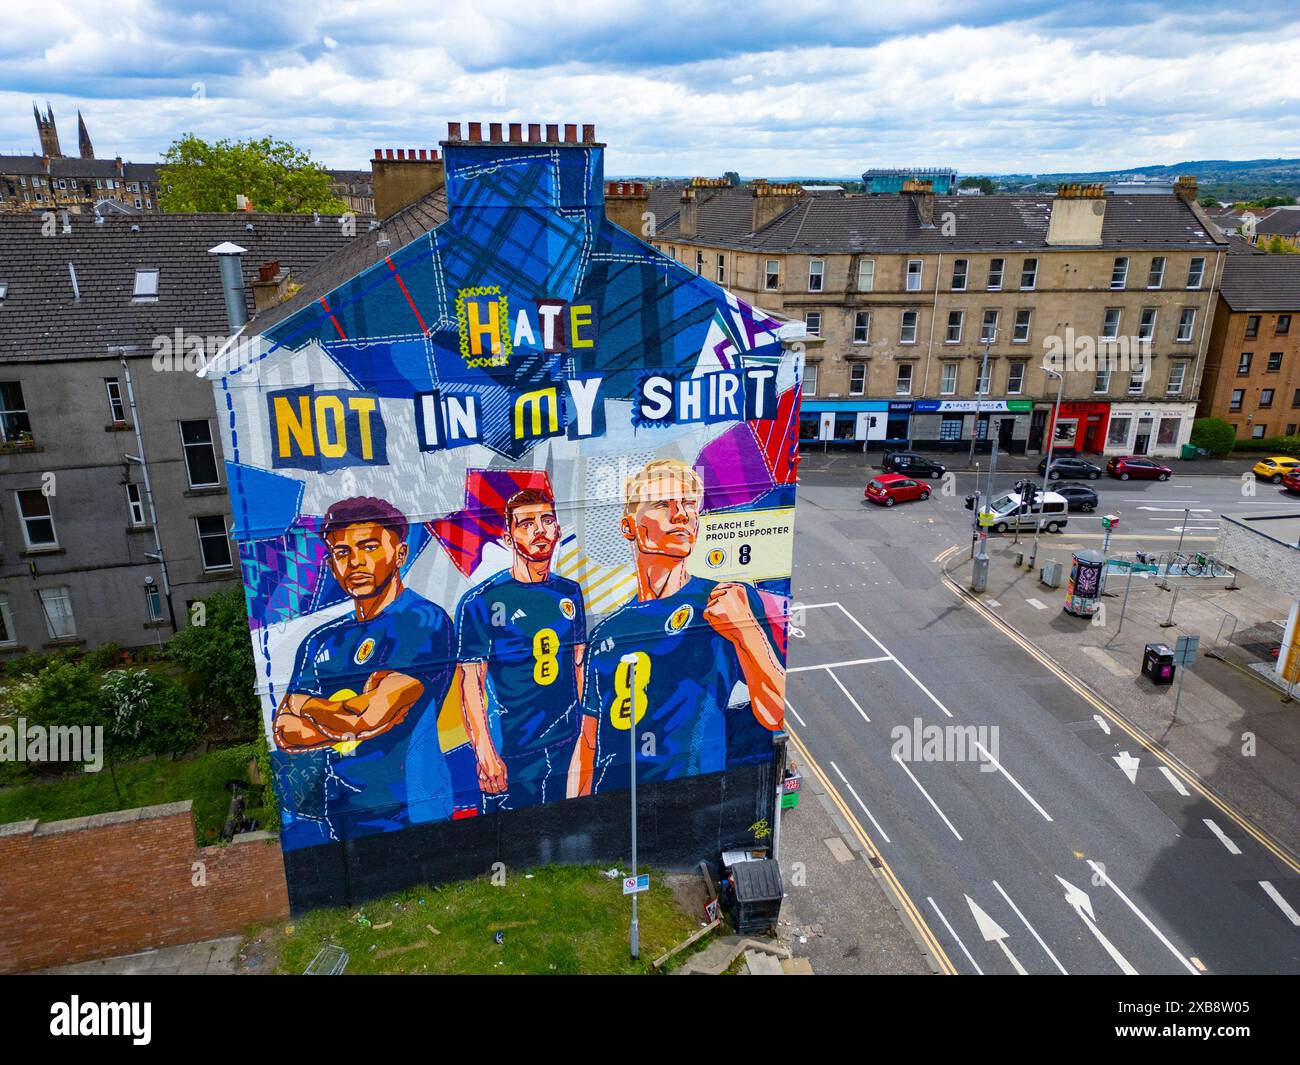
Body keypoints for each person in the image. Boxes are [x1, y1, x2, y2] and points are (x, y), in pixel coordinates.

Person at [570, 459, 783, 797]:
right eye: (663, 504)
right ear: (629, 526)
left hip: (692, 802)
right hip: (613, 804)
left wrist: (747, 633)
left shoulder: (727, 600)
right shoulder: (606, 632)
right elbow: (588, 742)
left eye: (688, 504)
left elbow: (776, 714)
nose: (682, 514)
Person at [273, 497, 455, 846]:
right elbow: (285, 730)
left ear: (400, 554)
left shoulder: (423, 621)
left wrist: (306, 705)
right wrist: (350, 719)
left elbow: (368, 717)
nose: (355, 562)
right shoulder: (320, 640)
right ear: (332, 564)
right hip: (341, 808)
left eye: (369, 547)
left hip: (412, 809)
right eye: (342, 552)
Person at [455, 487, 587, 811]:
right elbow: (471, 683)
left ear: (558, 529)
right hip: (514, 752)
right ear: (508, 537)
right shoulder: (481, 602)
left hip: (567, 744)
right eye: (526, 523)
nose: (539, 530)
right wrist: (485, 753)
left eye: (547, 520)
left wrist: (587, 737)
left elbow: (579, 665)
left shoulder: (570, 592)